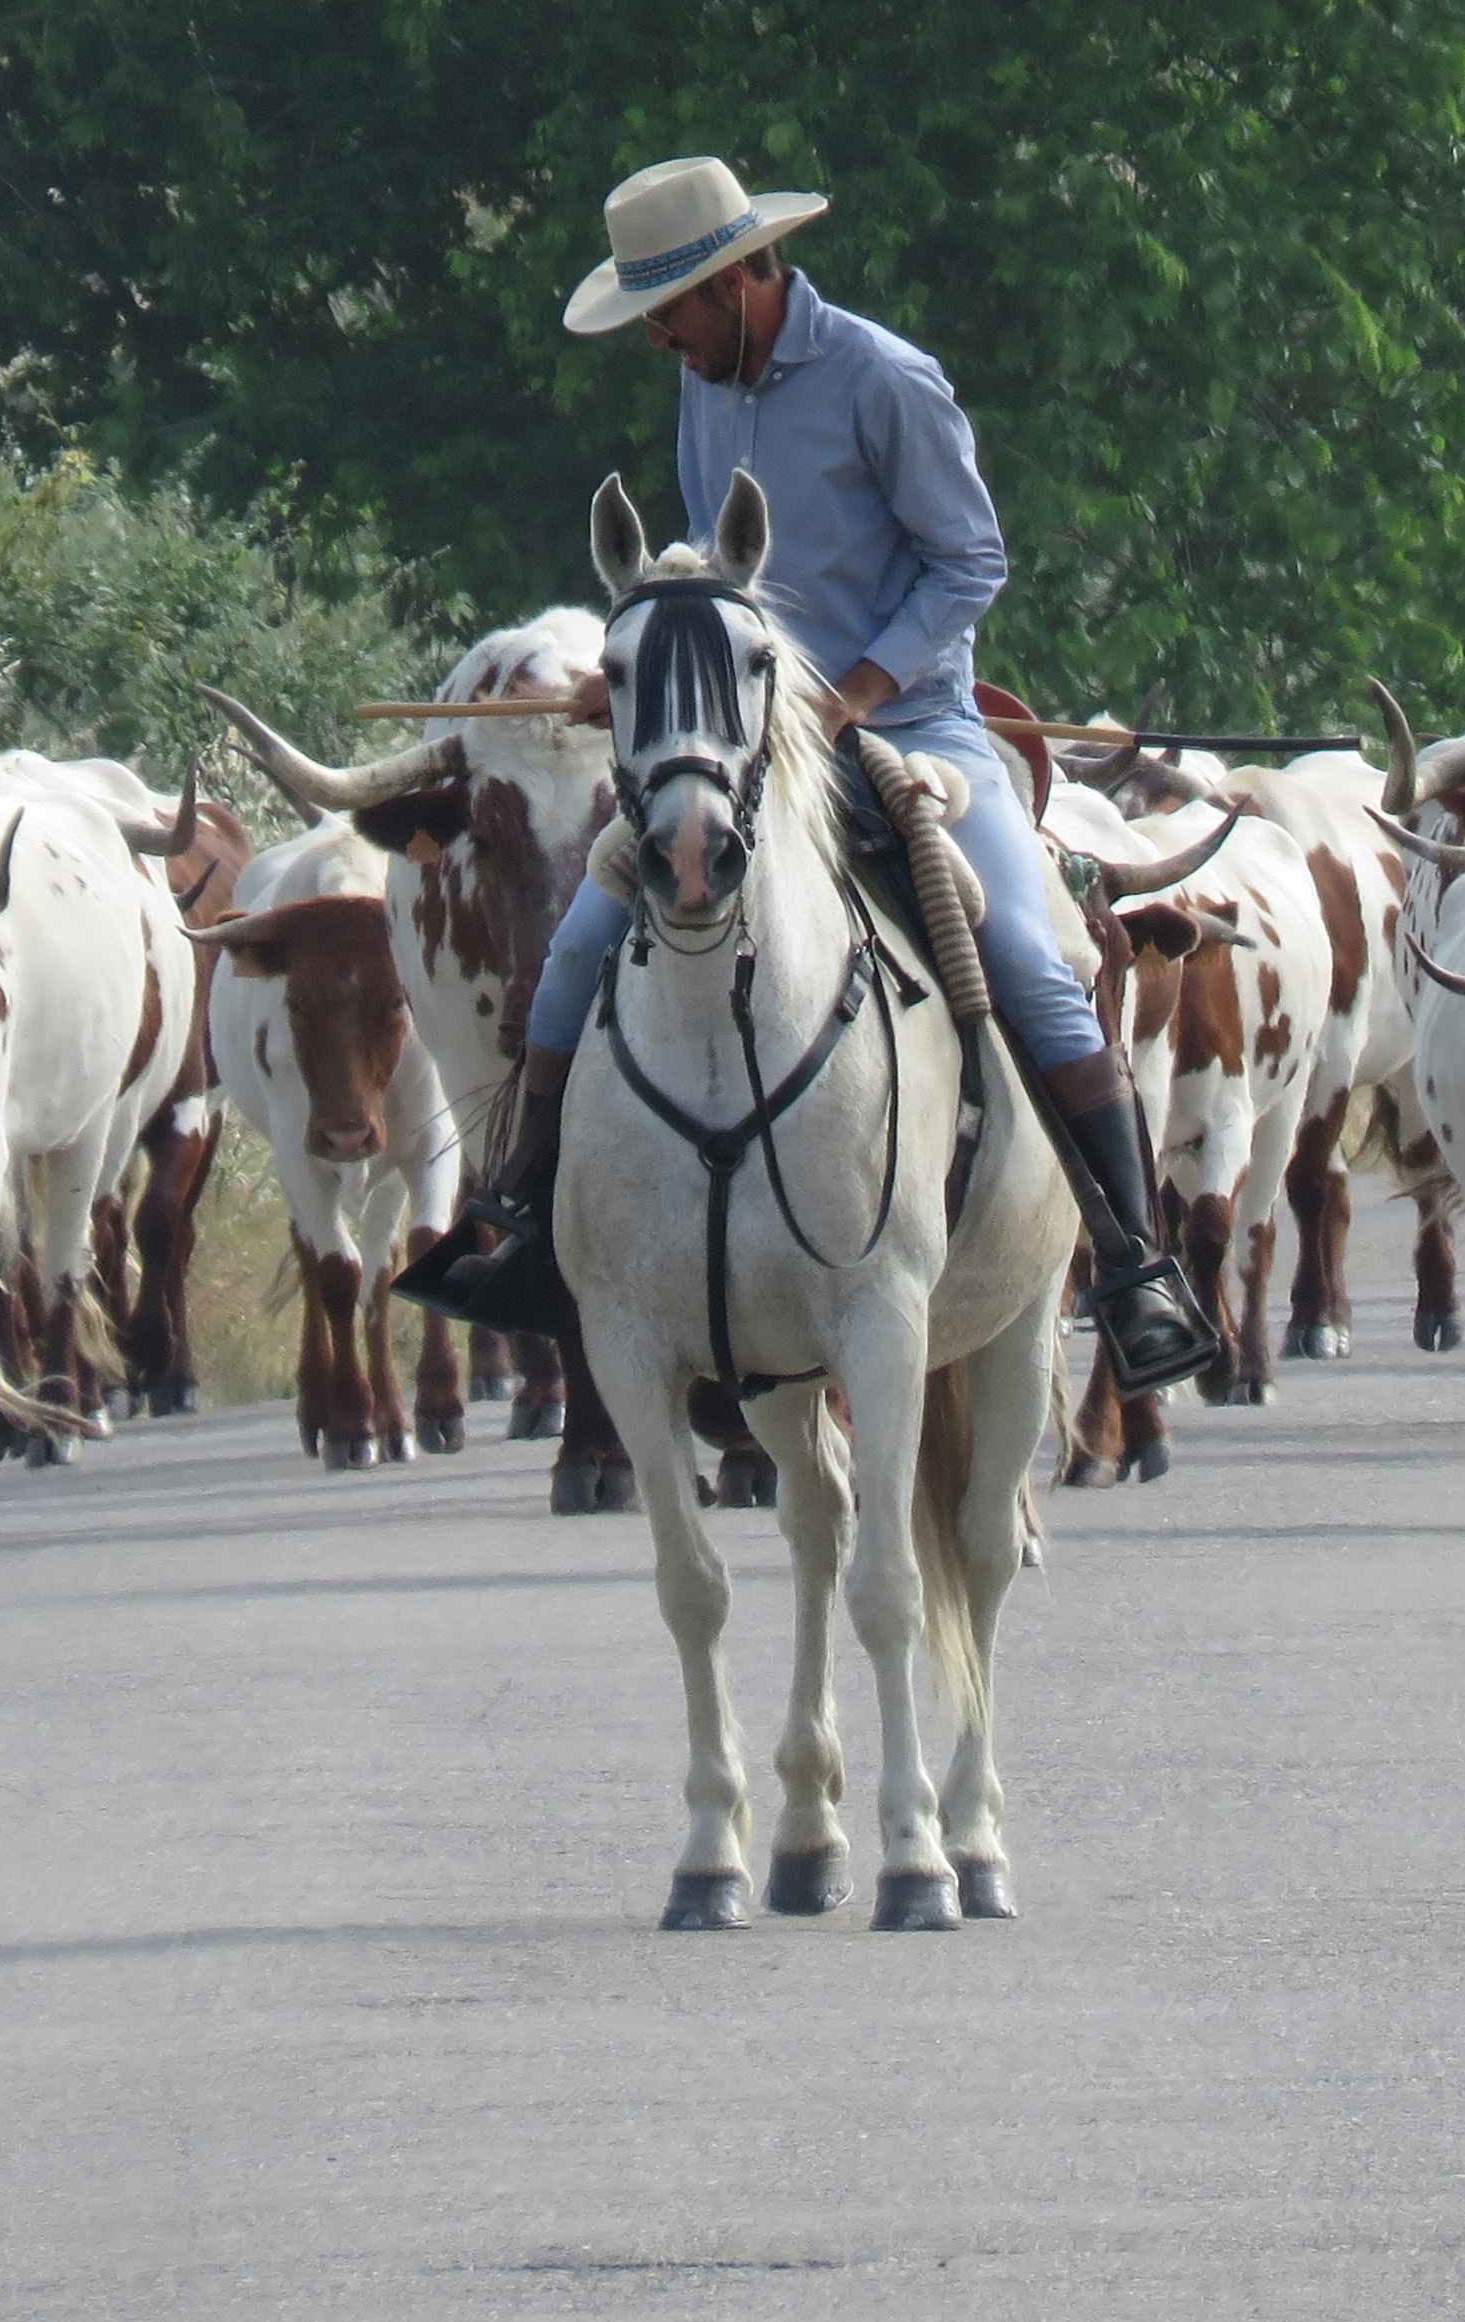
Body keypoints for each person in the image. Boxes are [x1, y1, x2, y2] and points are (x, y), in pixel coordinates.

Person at [410, 154, 1224, 1396]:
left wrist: (857, 694)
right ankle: (519, 1225)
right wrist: (642, 668)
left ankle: (1134, 1265)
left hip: (917, 730)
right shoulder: (704, 384)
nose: (658, 341)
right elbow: (715, 574)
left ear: (737, 281)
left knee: (1028, 961)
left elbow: (968, 563)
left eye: (667, 312)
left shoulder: (884, 378)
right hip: (750, 742)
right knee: (576, 951)